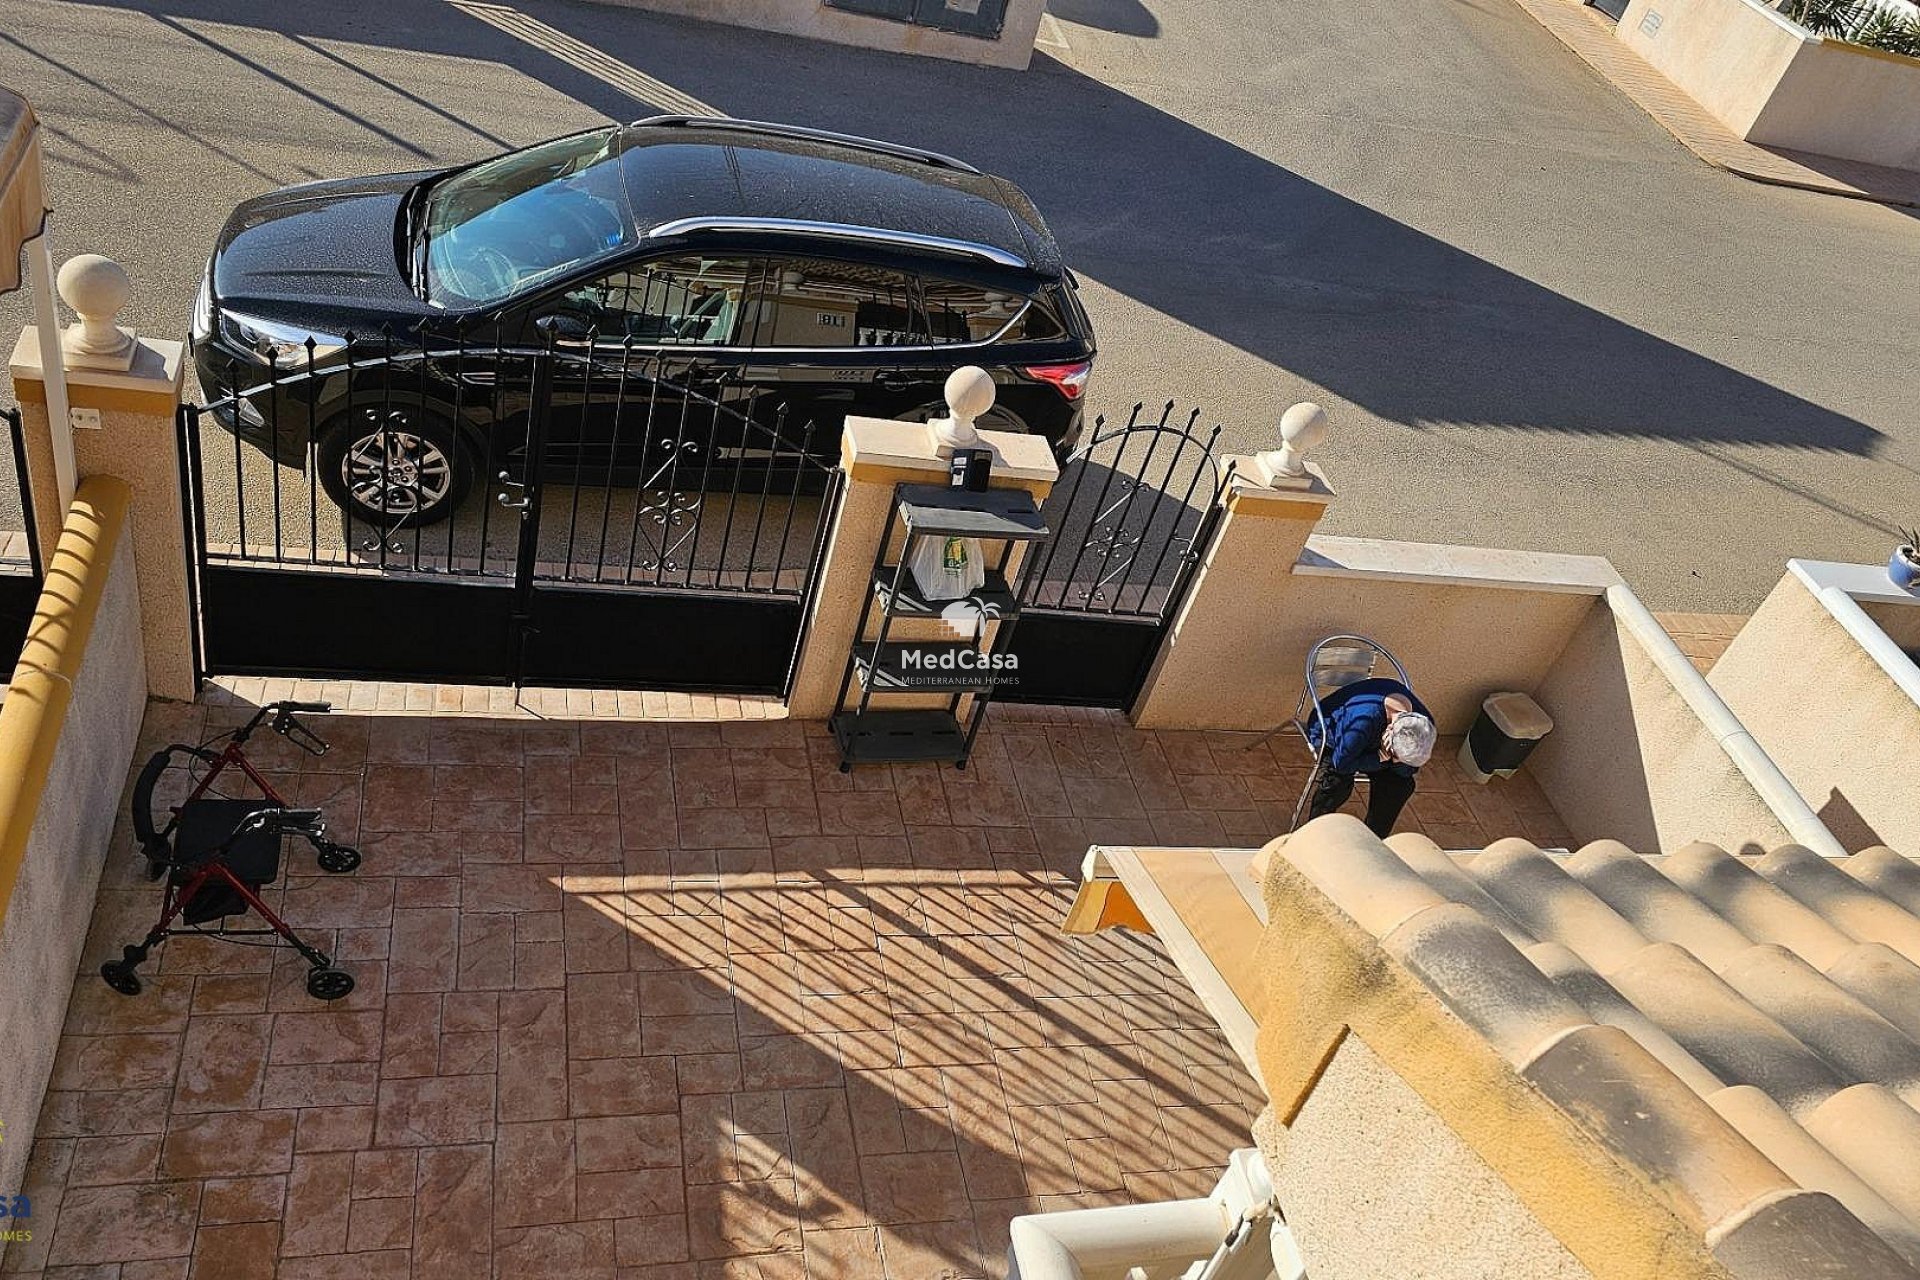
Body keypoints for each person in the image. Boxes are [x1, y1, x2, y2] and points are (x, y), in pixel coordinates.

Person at [1305, 677, 1436, 837]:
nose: (1396, 759)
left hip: (1377, 747)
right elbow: (1341, 763)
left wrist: (1395, 760)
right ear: (1389, 731)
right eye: (1396, 754)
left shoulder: (1424, 726)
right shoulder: (1362, 721)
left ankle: (1373, 838)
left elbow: (1408, 770)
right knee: (1336, 782)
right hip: (1335, 737)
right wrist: (1380, 757)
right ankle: (1313, 833)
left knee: (1400, 786)